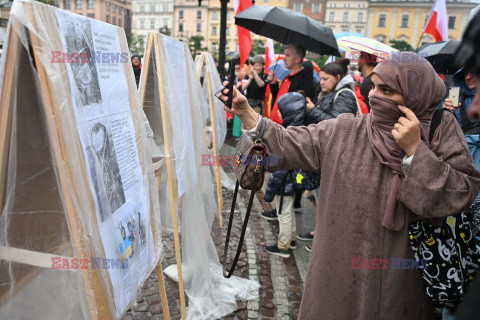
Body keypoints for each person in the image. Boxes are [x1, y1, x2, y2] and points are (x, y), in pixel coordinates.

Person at [220, 52, 480, 319]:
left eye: (387, 90)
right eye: (374, 86)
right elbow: (289, 143)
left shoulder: (440, 129)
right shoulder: (346, 130)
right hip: (338, 272)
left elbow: (462, 190)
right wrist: (248, 116)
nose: (374, 96)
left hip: (402, 278)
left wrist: (415, 152)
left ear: (415, 94)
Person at [263, 92, 308, 257]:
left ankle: (283, 246)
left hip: (285, 184)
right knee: (289, 211)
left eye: (281, 110)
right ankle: (292, 239)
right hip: (296, 181)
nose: (278, 113)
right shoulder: (302, 129)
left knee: (283, 214)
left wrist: (269, 193)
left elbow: (279, 170)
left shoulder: (286, 136)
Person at [267, 43, 316, 124]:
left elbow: (299, 112)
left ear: (297, 59)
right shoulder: (287, 77)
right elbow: (280, 100)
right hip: (276, 125)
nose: (284, 59)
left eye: (288, 55)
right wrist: (273, 84)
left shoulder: (305, 82)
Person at [443, 68, 480, 169]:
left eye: (473, 72)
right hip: (465, 159)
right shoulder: (456, 97)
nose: (468, 77)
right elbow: (444, 134)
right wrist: (447, 114)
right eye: (465, 73)